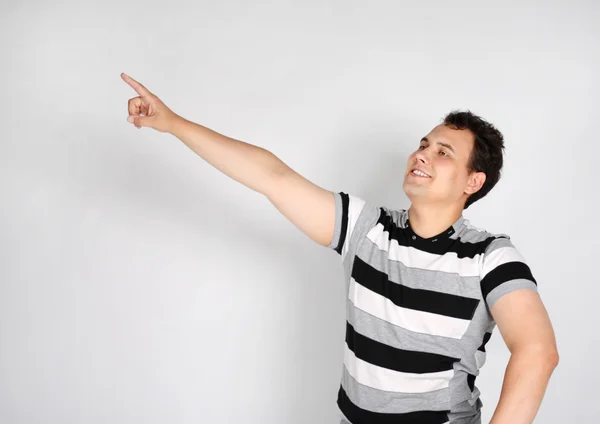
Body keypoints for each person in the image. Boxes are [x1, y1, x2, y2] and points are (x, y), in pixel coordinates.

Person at [120, 72, 559, 424]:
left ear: (472, 182)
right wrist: (172, 123)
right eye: (423, 144)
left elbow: (537, 351)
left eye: (443, 152)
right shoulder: (368, 229)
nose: (422, 154)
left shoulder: (491, 256)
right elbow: (272, 176)